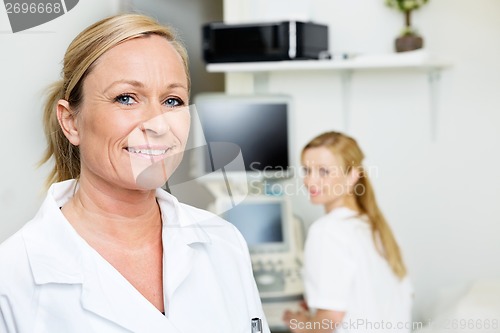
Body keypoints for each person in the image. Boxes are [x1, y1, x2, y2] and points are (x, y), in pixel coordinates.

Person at [0, 14, 270, 333]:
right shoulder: (13, 276)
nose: (157, 125)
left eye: (173, 101)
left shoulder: (224, 243)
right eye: (126, 98)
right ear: (71, 121)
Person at [283, 131, 412, 333]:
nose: (310, 181)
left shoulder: (327, 231)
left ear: (352, 176)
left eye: (323, 171)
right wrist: (318, 309)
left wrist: (299, 324)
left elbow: (328, 322)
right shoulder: (377, 229)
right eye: (307, 170)